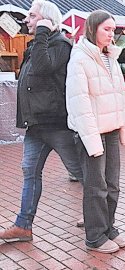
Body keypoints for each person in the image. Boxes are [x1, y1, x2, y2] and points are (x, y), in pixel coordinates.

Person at [0, 0, 83, 243]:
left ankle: (100, 220)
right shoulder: (39, 44)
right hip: (36, 125)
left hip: (57, 124)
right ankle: (23, 226)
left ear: (46, 20)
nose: (27, 20)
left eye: (33, 16)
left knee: (83, 174)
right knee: (30, 172)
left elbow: (42, 68)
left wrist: (44, 32)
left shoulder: (60, 44)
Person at [66, 10, 125, 253]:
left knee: (112, 184)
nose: (111, 34)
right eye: (107, 29)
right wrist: (92, 140)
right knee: (96, 186)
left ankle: (108, 227)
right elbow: (79, 102)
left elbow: (119, 98)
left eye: (113, 30)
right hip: (92, 132)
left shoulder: (111, 58)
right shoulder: (79, 58)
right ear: (93, 28)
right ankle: (94, 236)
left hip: (111, 130)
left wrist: (124, 130)